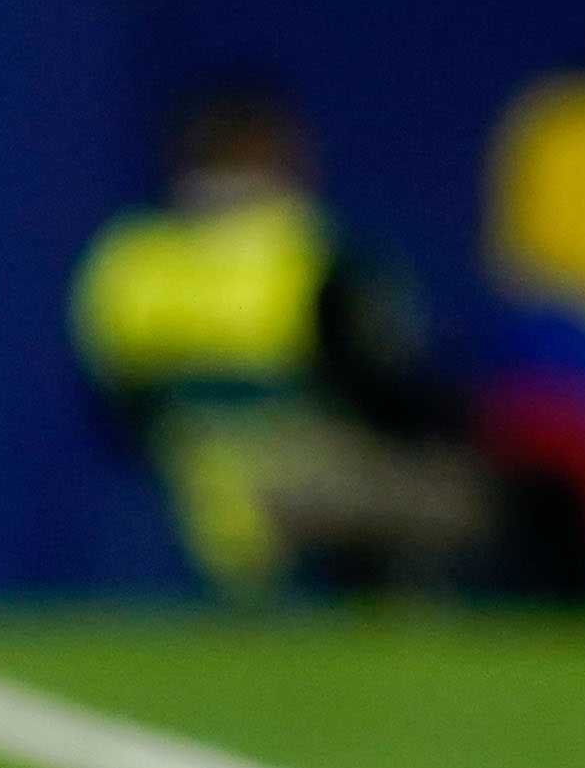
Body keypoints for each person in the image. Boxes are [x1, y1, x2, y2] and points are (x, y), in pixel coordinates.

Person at [74, 84, 482, 598]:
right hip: (278, 473)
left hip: (186, 466)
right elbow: (382, 385)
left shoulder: (129, 255)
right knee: (453, 501)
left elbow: (116, 394)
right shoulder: (307, 249)